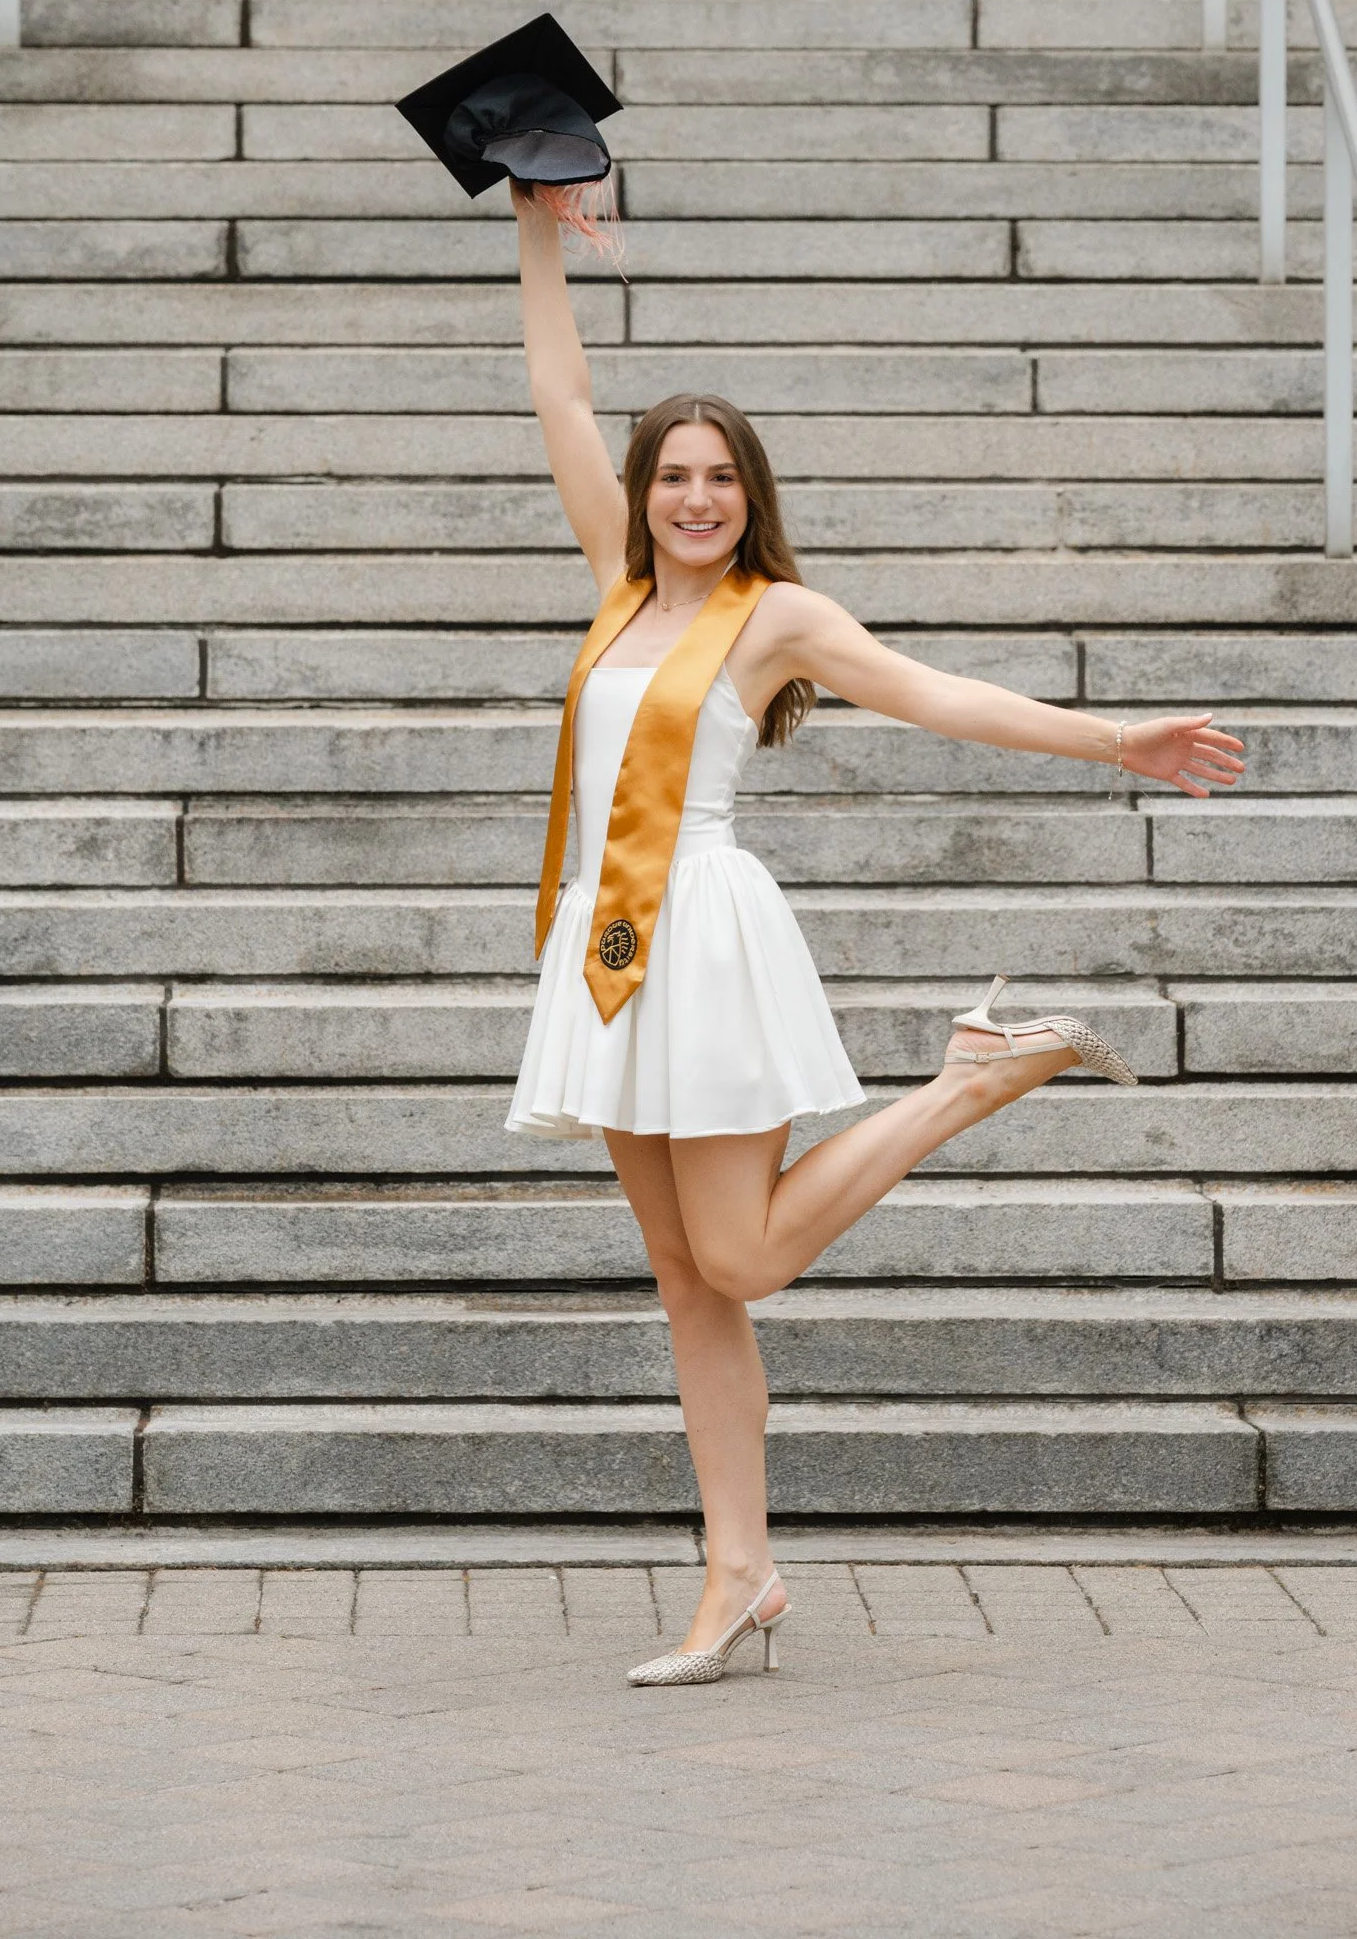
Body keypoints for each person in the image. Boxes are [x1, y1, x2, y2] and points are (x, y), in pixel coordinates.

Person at [506, 183, 1245, 1686]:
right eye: (675, 478)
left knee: (743, 1258)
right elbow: (558, 388)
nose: (695, 499)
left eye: (720, 480)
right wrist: (535, 218)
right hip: (607, 948)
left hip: (699, 936)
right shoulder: (616, 583)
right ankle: (740, 1575)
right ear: (646, 493)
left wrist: (1116, 743)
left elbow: (937, 695)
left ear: (749, 494)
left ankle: (967, 1080)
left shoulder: (778, 617)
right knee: (684, 1276)